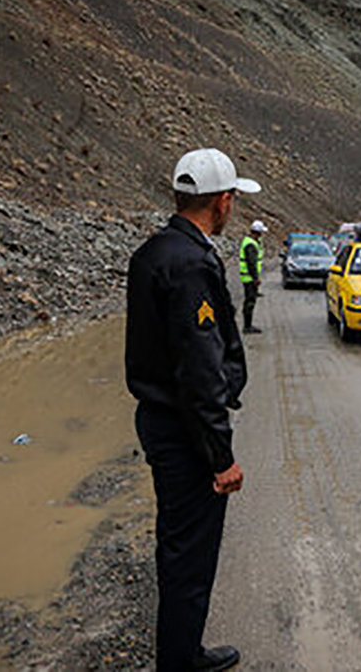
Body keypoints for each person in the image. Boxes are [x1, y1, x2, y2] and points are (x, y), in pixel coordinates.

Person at [125, 147, 259, 671]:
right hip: (184, 434)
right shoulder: (189, 265)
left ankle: (181, 651)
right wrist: (220, 457)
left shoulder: (154, 252)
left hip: (162, 423)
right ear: (222, 201)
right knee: (189, 555)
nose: (233, 210)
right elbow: (199, 373)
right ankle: (180, 662)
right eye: (233, 201)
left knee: (177, 547)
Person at [239, 220, 268, 333]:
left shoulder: (251, 242)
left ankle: (248, 325)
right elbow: (251, 263)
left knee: (250, 300)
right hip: (249, 278)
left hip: (248, 277)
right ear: (257, 232)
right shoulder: (250, 244)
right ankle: (247, 326)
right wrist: (256, 279)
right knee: (250, 301)